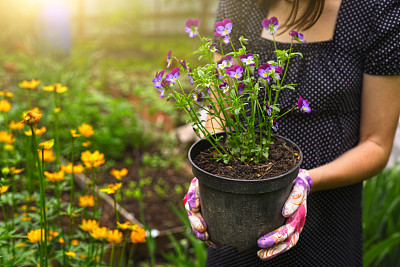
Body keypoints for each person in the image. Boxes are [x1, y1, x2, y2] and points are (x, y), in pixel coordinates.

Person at [183, 0, 400, 266]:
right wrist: (207, 179)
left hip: (328, 224)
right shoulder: (240, 5)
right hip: (238, 218)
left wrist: (305, 181)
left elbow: (376, 144)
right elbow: (221, 113)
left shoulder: (377, 11)